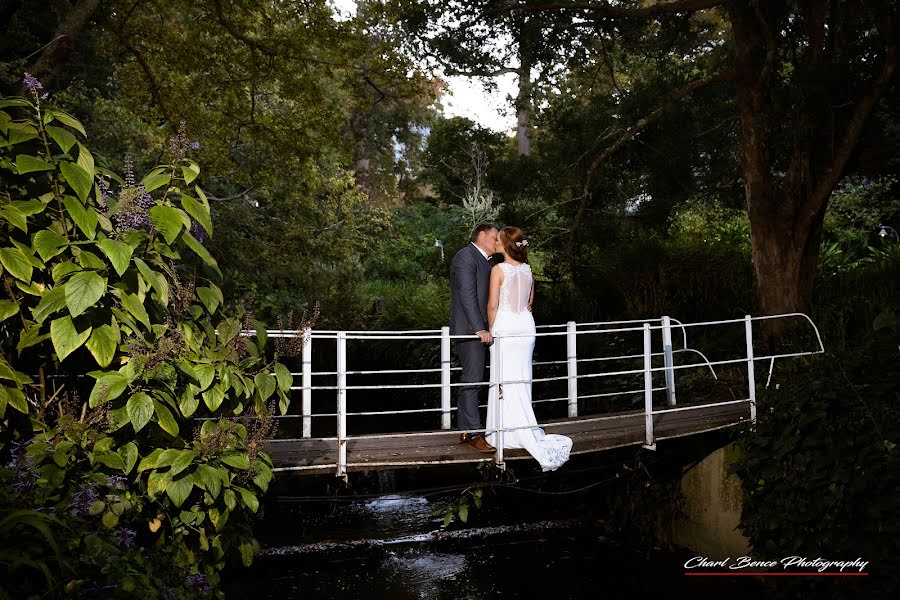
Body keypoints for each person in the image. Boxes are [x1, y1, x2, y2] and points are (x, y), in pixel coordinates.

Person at [485, 226, 572, 472]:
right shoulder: (528, 270)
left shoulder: (498, 270)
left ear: (505, 244)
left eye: (498, 238)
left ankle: (505, 433)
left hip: (506, 328)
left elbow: (492, 305)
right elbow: (530, 302)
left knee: (503, 379)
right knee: (521, 379)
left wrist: (491, 330)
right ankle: (521, 428)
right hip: (525, 327)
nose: (496, 241)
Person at [449, 223, 499, 453]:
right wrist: (479, 328)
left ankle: (466, 429)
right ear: (481, 235)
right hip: (471, 331)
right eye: (494, 237)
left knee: (474, 378)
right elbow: (467, 295)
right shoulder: (465, 257)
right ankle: (473, 432)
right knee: (473, 379)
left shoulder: (486, 262)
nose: (497, 241)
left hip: (482, 331)